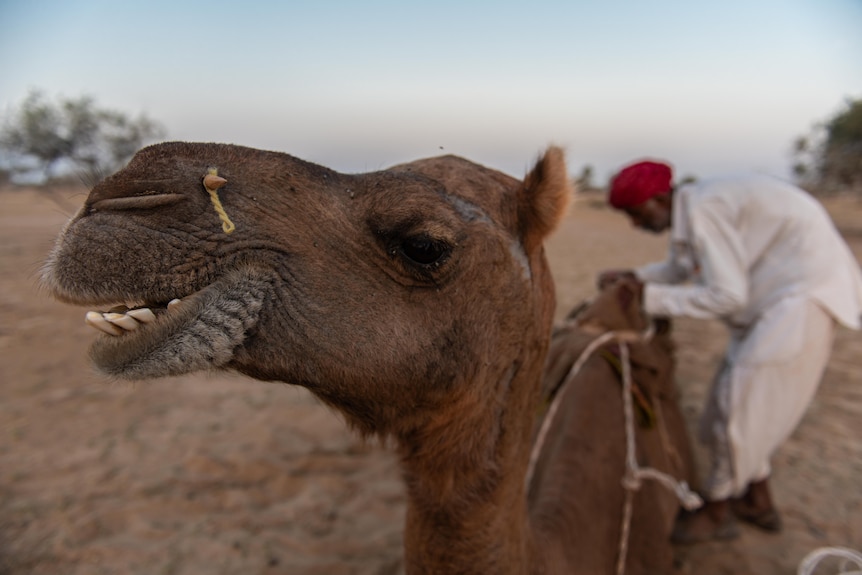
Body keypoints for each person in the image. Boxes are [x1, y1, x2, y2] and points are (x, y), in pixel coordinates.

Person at [600, 160, 862, 544]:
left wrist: (647, 297)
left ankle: (717, 511)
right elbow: (681, 268)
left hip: (800, 302)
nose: (637, 226)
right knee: (738, 406)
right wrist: (635, 277)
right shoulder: (697, 207)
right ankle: (759, 501)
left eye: (637, 215)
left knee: (740, 411)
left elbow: (725, 295)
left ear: (659, 199)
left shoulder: (706, 208)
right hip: (771, 302)